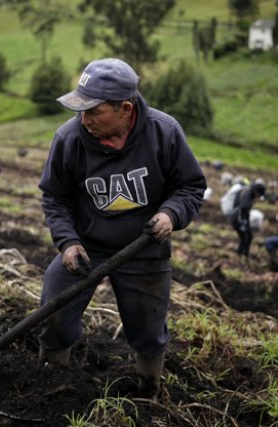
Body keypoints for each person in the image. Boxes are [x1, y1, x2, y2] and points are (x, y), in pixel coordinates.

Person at [37, 58, 206, 399]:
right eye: (80, 110)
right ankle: (49, 383)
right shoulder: (69, 139)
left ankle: (148, 391)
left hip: (144, 247)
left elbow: (190, 187)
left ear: (125, 109)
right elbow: (54, 197)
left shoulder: (164, 132)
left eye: (93, 111)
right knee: (54, 310)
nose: (84, 120)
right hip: (87, 245)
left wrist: (171, 215)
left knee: (148, 327)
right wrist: (68, 243)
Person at [228, 179, 266, 258]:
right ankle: (242, 253)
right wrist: (254, 201)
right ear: (257, 193)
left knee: (248, 236)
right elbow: (244, 206)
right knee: (245, 237)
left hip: (242, 219)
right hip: (238, 219)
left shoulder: (249, 193)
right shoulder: (247, 194)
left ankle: (243, 253)